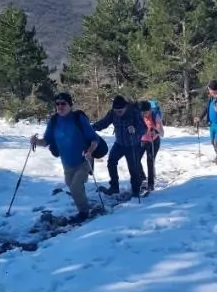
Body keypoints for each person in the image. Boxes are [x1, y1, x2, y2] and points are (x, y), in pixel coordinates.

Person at [30, 92, 107, 222]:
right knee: (72, 186)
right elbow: (46, 141)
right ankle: (83, 207)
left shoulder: (78, 118)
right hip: (67, 163)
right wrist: (36, 141)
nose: (60, 106)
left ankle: (84, 213)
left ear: (70, 105)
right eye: (57, 104)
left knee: (76, 185)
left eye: (63, 103)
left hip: (84, 160)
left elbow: (94, 139)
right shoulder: (54, 121)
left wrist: (90, 151)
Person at [93, 95, 147, 197]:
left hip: (133, 144)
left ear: (126, 107)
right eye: (116, 110)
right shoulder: (113, 113)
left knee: (133, 168)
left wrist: (135, 130)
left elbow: (144, 128)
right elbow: (104, 123)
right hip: (119, 144)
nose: (118, 112)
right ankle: (114, 187)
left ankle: (136, 190)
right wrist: (91, 128)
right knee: (111, 162)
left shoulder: (134, 113)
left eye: (120, 111)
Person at [195, 80, 217, 164]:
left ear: (214, 89)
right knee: (212, 141)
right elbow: (206, 109)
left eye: (209, 89)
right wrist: (200, 117)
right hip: (212, 124)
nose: (209, 91)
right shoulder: (211, 98)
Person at [138, 100, 164, 191]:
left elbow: (162, 132)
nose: (144, 114)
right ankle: (142, 178)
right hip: (142, 140)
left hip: (154, 141)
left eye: (145, 112)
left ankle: (150, 184)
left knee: (150, 161)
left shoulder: (155, 116)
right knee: (135, 160)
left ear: (150, 110)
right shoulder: (139, 116)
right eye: (142, 112)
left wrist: (156, 131)